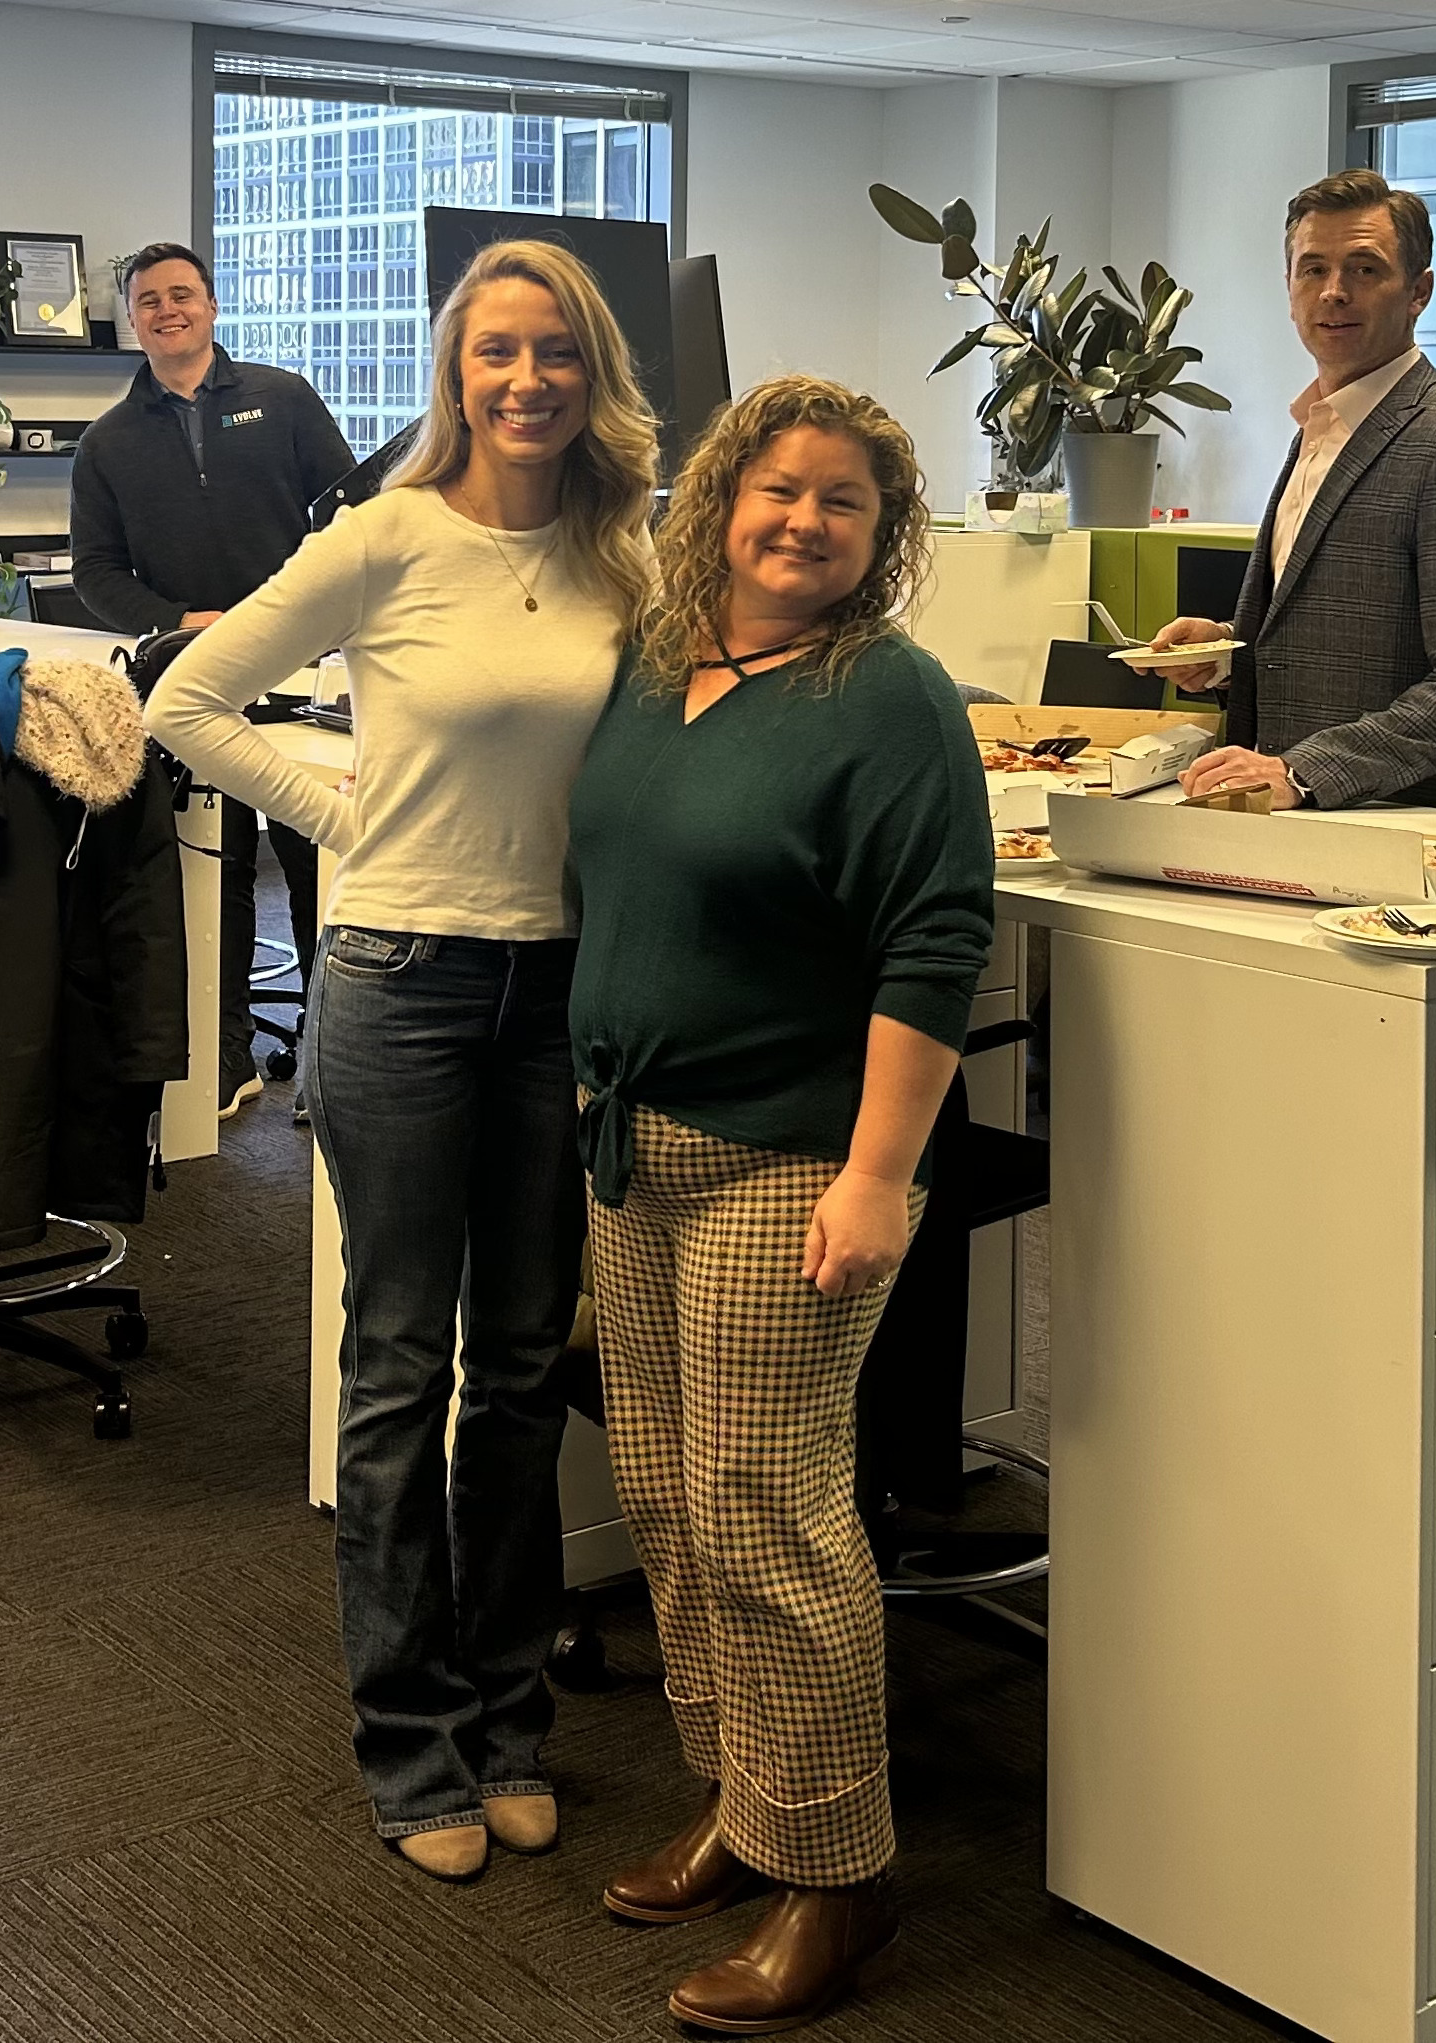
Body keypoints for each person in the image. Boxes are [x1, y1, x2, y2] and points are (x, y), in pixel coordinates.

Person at [142, 240, 658, 1883]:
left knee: (515, 1374)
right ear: (455, 370)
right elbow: (189, 701)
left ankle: (511, 1719)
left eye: (554, 353)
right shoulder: (385, 535)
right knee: (394, 1368)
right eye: (496, 351)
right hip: (403, 983)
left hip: (556, 991)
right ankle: (410, 1739)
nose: (525, 380)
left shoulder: (624, 555)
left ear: (591, 375)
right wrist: (348, 810)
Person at [569, 376, 991, 2033]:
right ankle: (748, 1799)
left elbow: (932, 936)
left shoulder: (883, 698)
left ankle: (840, 1877)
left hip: (786, 1160)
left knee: (767, 1503)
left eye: (845, 503)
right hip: (636, 1144)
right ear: (719, 500)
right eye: (779, 489)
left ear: (880, 540)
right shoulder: (656, 661)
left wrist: (878, 1171)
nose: (803, 521)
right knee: (666, 1493)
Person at [1141, 167, 1436, 810]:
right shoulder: (1316, 430)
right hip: (1293, 826)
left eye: (1364, 269)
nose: (1333, 293)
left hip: (1408, 834)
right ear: (1289, 285)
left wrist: (1303, 772)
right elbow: (1338, 641)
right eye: (1313, 269)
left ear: (1419, 291)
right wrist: (1225, 655)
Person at [73, 241, 356, 1118]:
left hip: (305, 668)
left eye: (182, 295)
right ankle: (224, 1053)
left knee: (315, 859)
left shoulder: (281, 399)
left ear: (211, 305)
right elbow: (96, 572)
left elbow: (349, 512)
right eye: (149, 301)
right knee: (218, 870)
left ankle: (325, 1055)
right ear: (133, 320)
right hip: (196, 682)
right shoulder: (107, 441)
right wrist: (182, 623)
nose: (167, 310)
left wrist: (302, 608)